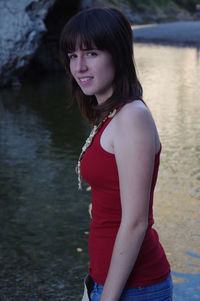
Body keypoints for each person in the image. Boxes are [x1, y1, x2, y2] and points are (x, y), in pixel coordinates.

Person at [60, 6, 172, 301]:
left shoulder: (131, 117)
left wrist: (107, 297)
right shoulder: (109, 115)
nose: (79, 66)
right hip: (106, 281)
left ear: (117, 54)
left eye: (92, 53)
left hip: (135, 289)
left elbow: (135, 222)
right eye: (73, 55)